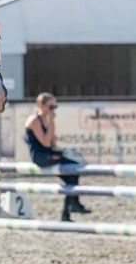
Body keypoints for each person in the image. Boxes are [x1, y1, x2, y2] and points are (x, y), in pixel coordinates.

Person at [24, 92, 90, 221]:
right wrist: (52, 122)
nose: (53, 110)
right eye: (51, 107)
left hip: (48, 153)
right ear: (41, 105)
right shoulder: (34, 120)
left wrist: (61, 151)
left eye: (55, 107)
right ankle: (72, 207)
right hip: (40, 156)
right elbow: (45, 142)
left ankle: (68, 211)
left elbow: (53, 143)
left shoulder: (46, 119)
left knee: (72, 175)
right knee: (72, 172)